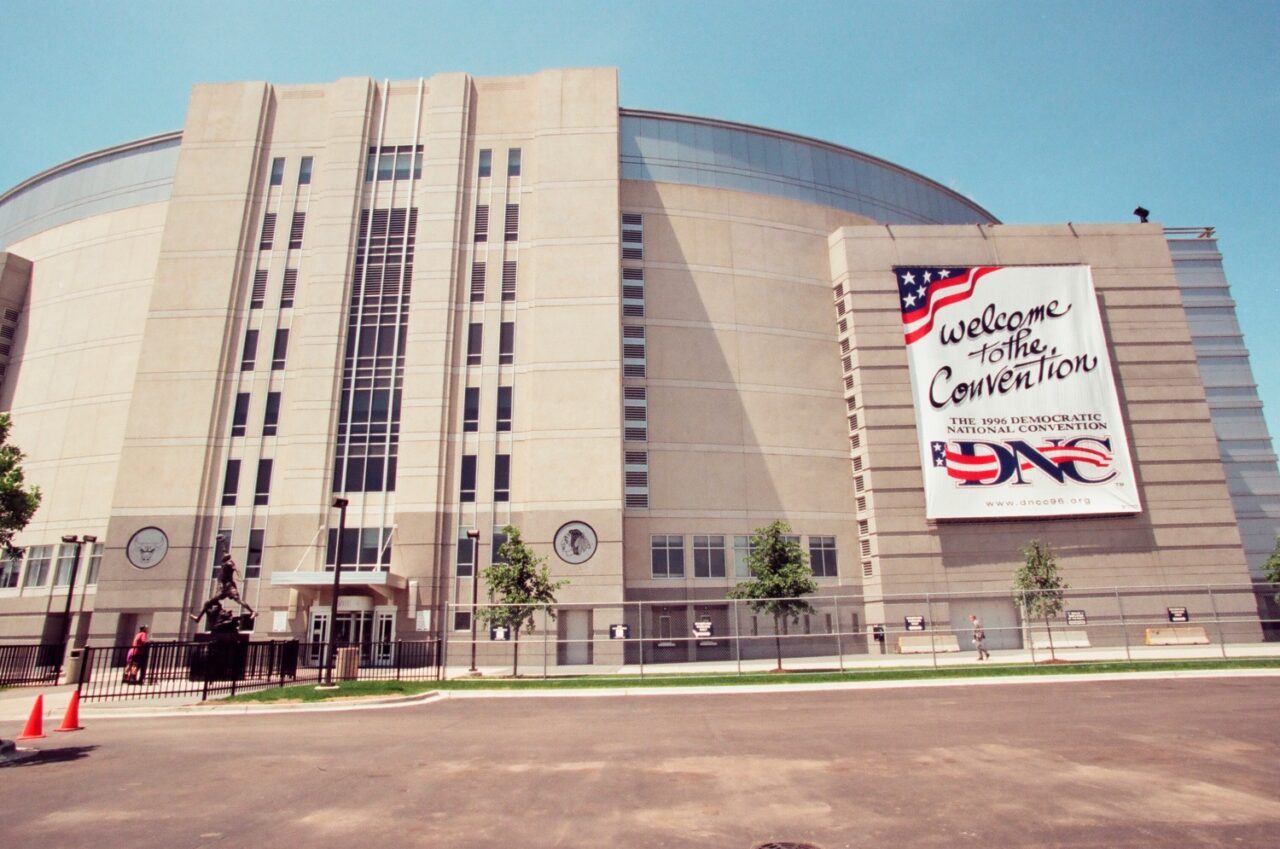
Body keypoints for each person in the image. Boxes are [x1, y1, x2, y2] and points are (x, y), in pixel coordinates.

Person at [191, 554, 256, 625]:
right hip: (224, 589)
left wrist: (239, 576)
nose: (221, 558)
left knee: (238, 600)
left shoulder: (229, 563)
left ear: (225, 558)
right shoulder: (224, 565)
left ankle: (252, 612)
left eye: (223, 557)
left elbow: (236, 569)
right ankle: (198, 618)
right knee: (209, 602)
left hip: (229, 587)